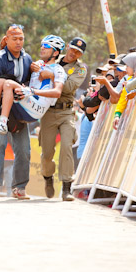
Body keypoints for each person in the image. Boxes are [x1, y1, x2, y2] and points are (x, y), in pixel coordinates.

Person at [0, 24, 33, 199]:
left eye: (21, 39)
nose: (18, 42)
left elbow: (30, 85)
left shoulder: (28, 59)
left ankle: (20, 187)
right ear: (6, 39)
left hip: (19, 110)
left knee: (24, 149)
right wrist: (13, 88)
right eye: (14, 39)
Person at [0, 35, 67, 136]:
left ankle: (2, 123)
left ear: (55, 52)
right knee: (0, 81)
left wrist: (32, 91)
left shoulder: (58, 69)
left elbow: (57, 92)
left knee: (8, 83)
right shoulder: (37, 64)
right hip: (29, 99)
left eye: (46, 46)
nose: (42, 48)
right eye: (42, 45)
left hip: (38, 108)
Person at [38, 36, 87, 201]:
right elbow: (37, 75)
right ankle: (47, 177)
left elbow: (68, 88)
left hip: (66, 112)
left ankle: (67, 188)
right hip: (48, 112)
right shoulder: (51, 58)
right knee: (47, 152)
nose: (74, 53)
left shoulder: (80, 69)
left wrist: (51, 76)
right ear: (67, 47)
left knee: (67, 147)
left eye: (78, 52)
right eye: (72, 49)